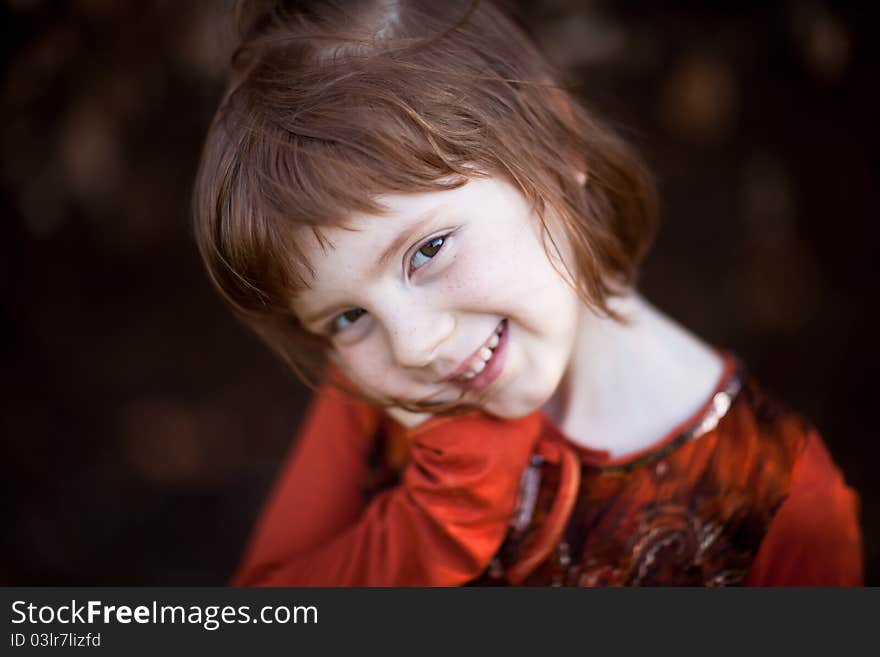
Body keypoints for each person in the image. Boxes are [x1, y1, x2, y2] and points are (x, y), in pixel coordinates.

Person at [192, 0, 863, 586]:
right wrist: (446, 509)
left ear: (554, 144)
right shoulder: (378, 400)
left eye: (428, 250)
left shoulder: (783, 505)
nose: (415, 344)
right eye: (347, 315)